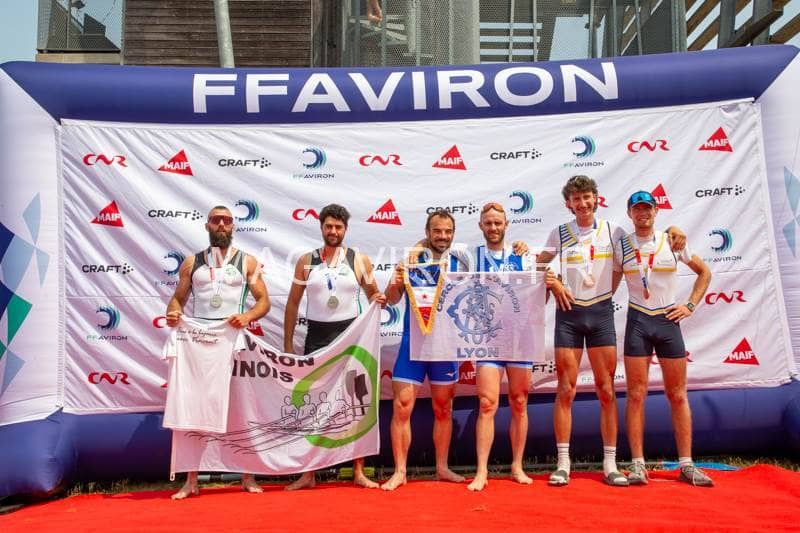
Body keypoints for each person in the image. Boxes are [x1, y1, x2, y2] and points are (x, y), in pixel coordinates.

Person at [538, 176, 685, 487]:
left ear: (596, 199)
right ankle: (563, 464)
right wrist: (555, 282)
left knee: (606, 390)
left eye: (586, 197)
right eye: (576, 199)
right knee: (565, 390)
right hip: (569, 316)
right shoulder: (559, 233)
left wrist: (674, 230)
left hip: (601, 315)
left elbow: (643, 246)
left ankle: (610, 464)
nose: (582, 203)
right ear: (568, 204)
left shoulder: (614, 232)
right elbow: (539, 266)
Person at [165, 205, 270, 499]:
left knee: (241, 408)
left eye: (226, 220)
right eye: (216, 220)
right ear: (207, 226)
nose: (221, 224)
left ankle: (248, 476)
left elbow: (263, 301)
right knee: (193, 408)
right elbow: (177, 300)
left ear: (233, 225)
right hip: (198, 343)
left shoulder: (247, 262)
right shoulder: (191, 263)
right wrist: (173, 314)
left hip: (233, 340)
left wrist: (247, 317)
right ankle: (191, 480)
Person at [283, 203, 386, 490]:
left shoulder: (359, 260)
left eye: (338, 227)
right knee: (312, 404)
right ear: (321, 228)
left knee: (356, 402)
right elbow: (292, 303)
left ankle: (358, 471)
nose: (333, 231)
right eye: (328, 226)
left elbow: (373, 294)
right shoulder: (307, 261)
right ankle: (309, 473)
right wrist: (288, 342)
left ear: (345, 229)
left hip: (352, 336)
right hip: (317, 337)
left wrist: (378, 298)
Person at [614, 191, 713, 486]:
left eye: (647, 208)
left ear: (656, 211)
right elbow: (608, 284)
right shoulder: (622, 245)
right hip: (638, 321)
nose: (642, 213)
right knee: (636, 395)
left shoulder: (672, 240)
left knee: (678, 394)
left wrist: (690, 305)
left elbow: (704, 273)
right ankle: (638, 464)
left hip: (668, 321)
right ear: (629, 213)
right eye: (637, 209)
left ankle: (686, 465)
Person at [381, 209, 467, 491]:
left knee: (444, 408)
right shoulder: (411, 261)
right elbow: (391, 300)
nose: (442, 236)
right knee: (402, 407)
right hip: (412, 346)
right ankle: (400, 472)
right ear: (427, 232)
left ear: (453, 234)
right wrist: (395, 281)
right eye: (437, 231)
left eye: (447, 231)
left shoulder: (461, 262)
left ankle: (442, 468)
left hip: (446, 348)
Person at [467, 202, 538, 492]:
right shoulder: (471, 257)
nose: (493, 228)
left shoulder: (522, 255)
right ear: (481, 226)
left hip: (520, 338)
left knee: (519, 402)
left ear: (507, 224)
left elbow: (538, 296)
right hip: (488, 339)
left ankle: (517, 466)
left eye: (498, 223)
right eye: (488, 223)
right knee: (487, 404)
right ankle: (481, 471)